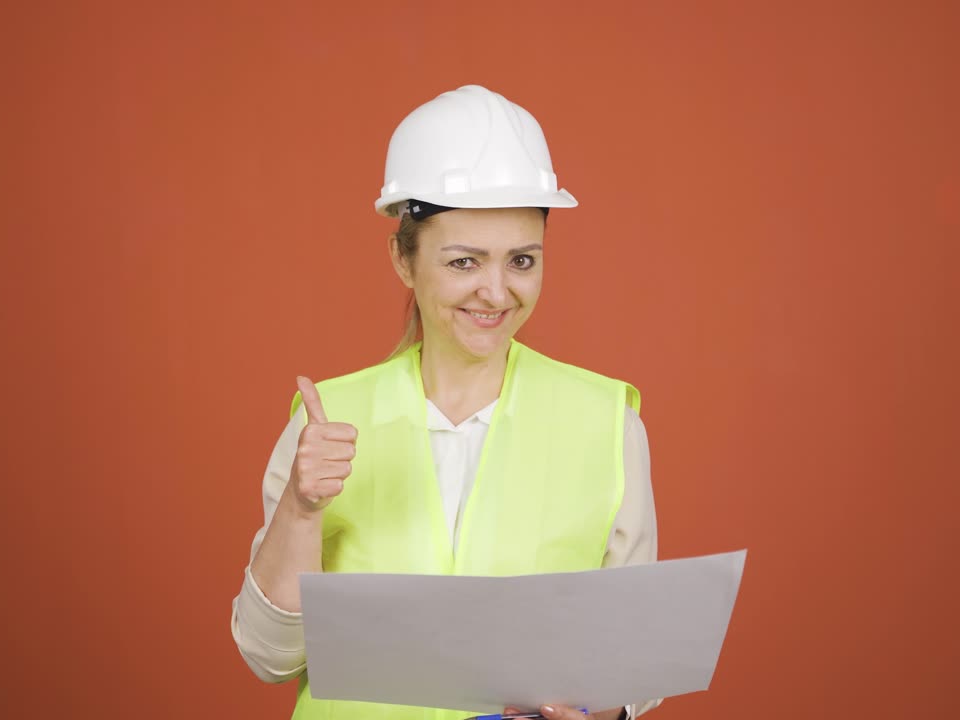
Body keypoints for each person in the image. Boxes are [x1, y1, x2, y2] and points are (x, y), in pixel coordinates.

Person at [231, 85, 660, 720]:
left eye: (521, 260)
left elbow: (635, 658)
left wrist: (598, 711)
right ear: (404, 260)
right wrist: (300, 510)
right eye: (463, 262)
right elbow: (268, 657)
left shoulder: (606, 421)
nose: (496, 292)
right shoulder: (328, 422)